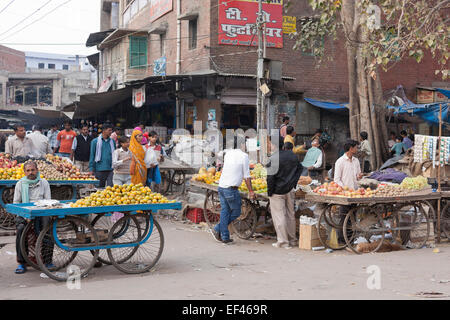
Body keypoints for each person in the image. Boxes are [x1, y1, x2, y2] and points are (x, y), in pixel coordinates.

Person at [211, 136, 255, 244]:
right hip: (230, 189)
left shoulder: (228, 153)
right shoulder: (243, 156)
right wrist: (251, 191)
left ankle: (224, 237)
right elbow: (247, 176)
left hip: (222, 187)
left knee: (225, 211)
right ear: (242, 145)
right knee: (236, 212)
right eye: (245, 144)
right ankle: (217, 228)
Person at [13, 161, 52, 274]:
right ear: (24, 172)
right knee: (21, 228)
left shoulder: (44, 183)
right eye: (28, 170)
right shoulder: (20, 184)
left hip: (41, 212)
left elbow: (48, 201)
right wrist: (26, 215)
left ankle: (48, 260)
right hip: (25, 214)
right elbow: (16, 203)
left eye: (33, 170)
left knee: (48, 227)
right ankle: (21, 262)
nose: (31, 172)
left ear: (37, 170)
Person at [267, 139, 303, 249]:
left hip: (277, 191)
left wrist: (270, 191)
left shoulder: (273, 158)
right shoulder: (292, 156)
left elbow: (270, 178)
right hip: (289, 189)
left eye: (270, 144)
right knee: (290, 215)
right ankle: (293, 241)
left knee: (279, 216)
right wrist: (294, 183)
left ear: (274, 145)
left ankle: (283, 242)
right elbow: (300, 168)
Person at [334, 140, 363, 244]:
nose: (357, 149)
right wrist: (345, 188)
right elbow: (337, 180)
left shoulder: (356, 161)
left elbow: (358, 177)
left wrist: (359, 176)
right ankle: (342, 240)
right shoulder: (340, 161)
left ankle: (350, 239)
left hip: (355, 193)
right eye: (356, 147)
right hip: (345, 194)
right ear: (351, 149)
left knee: (353, 216)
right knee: (344, 216)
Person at [89, 123, 115, 188]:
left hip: (111, 169)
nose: (111, 132)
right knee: (99, 188)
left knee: (110, 188)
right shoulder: (95, 141)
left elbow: (114, 154)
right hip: (99, 169)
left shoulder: (112, 142)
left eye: (111, 130)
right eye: (109, 130)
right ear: (104, 131)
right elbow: (92, 155)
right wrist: (91, 169)